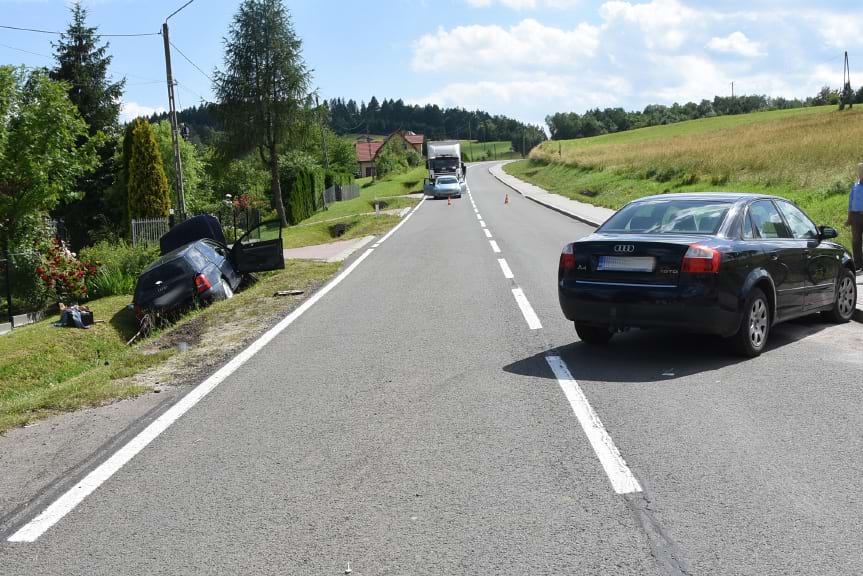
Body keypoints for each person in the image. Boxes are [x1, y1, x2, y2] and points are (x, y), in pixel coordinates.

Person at [848, 163, 863, 273]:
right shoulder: (855, 186)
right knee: (856, 240)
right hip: (855, 217)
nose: (861, 173)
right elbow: (850, 202)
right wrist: (849, 218)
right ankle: (858, 263)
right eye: (860, 171)